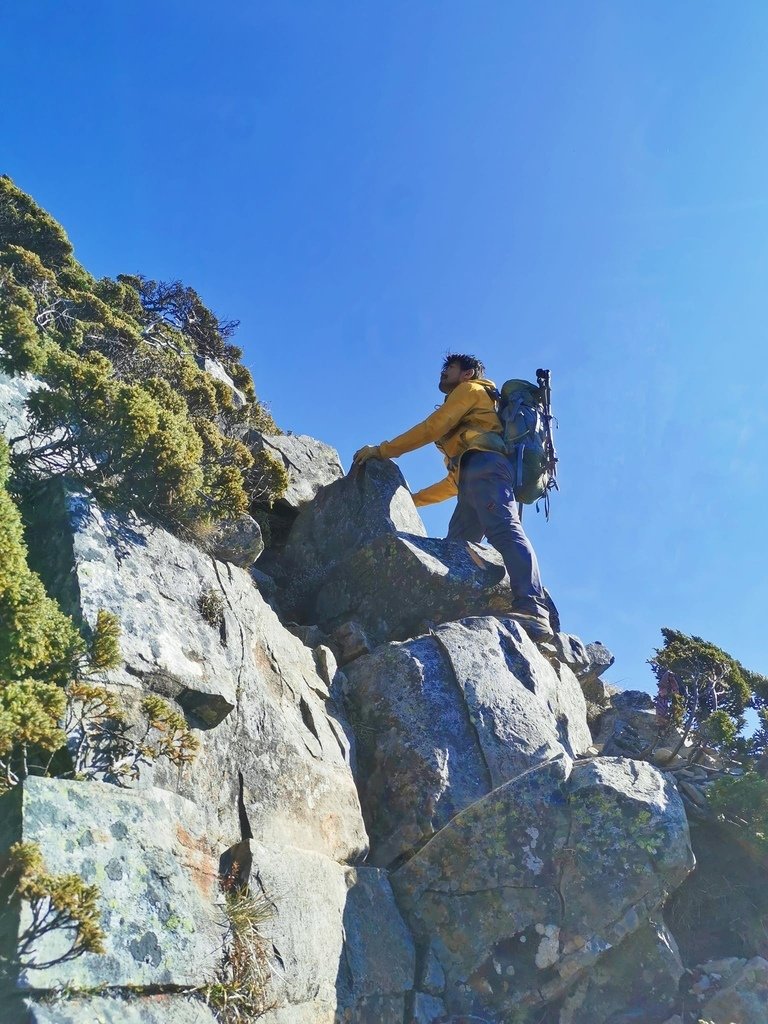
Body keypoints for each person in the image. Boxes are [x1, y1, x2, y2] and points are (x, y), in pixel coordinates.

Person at [353, 353, 553, 641]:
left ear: (468, 373)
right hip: (475, 475)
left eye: (450, 368)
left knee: (504, 530)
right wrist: (412, 500)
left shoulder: (470, 390)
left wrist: (382, 451)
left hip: (487, 469)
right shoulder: (476, 424)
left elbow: (432, 428)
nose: (443, 372)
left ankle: (533, 608)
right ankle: (451, 612)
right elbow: (454, 482)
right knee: (458, 548)